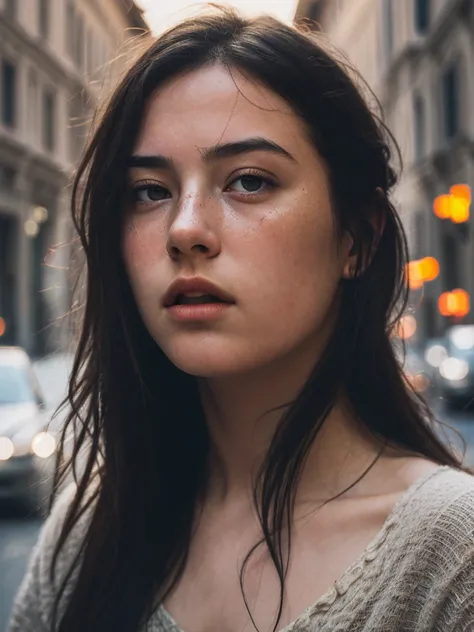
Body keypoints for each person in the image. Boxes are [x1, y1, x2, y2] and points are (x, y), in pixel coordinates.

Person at [8, 7, 474, 632]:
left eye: (249, 181)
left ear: (356, 239)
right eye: (149, 190)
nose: (185, 228)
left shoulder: (453, 561)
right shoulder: (81, 537)